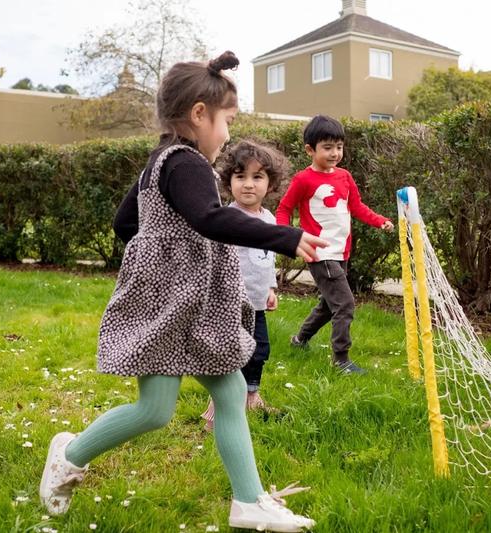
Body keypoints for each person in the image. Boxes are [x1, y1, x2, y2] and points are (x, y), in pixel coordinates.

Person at [39, 51, 323, 532]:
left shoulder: (157, 163)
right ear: (199, 114)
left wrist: (161, 256)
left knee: (231, 389)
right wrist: (286, 237)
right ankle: (68, 453)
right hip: (174, 303)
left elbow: (125, 223)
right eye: (227, 121)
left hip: (179, 298)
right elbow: (209, 219)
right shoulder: (188, 162)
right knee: (154, 410)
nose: (229, 134)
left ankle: (249, 501)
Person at [275, 115, 394, 374]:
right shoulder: (303, 180)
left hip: (341, 250)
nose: (335, 153)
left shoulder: (344, 177)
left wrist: (380, 221)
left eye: (339, 146)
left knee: (329, 305)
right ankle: (341, 359)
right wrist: (285, 237)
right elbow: (284, 209)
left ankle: (299, 339)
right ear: (310, 149)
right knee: (345, 304)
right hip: (320, 252)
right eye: (327, 147)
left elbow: (357, 207)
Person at [201, 140, 290, 431]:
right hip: (230, 303)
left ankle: (251, 395)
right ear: (229, 182)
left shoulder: (267, 218)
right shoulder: (227, 219)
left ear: (271, 183)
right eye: (240, 177)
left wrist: (271, 288)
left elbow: (267, 258)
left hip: (256, 302)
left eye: (257, 177)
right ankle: (218, 410)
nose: (248, 185)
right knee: (230, 355)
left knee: (259, 350)